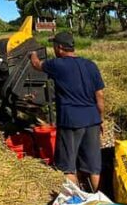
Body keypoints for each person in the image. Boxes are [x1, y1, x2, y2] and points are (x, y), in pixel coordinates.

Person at [30, 31, 105, 192]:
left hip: (71, 120)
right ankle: (96, 200)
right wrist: (101, 119)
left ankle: (75, 201)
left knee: (68, 166)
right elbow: (99, 95)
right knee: (93, 166)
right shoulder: (91, 65)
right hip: (92, 119)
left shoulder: (57, 65)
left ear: (60, 48)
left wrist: (33, 53)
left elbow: (36, 64)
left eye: (54, 46)